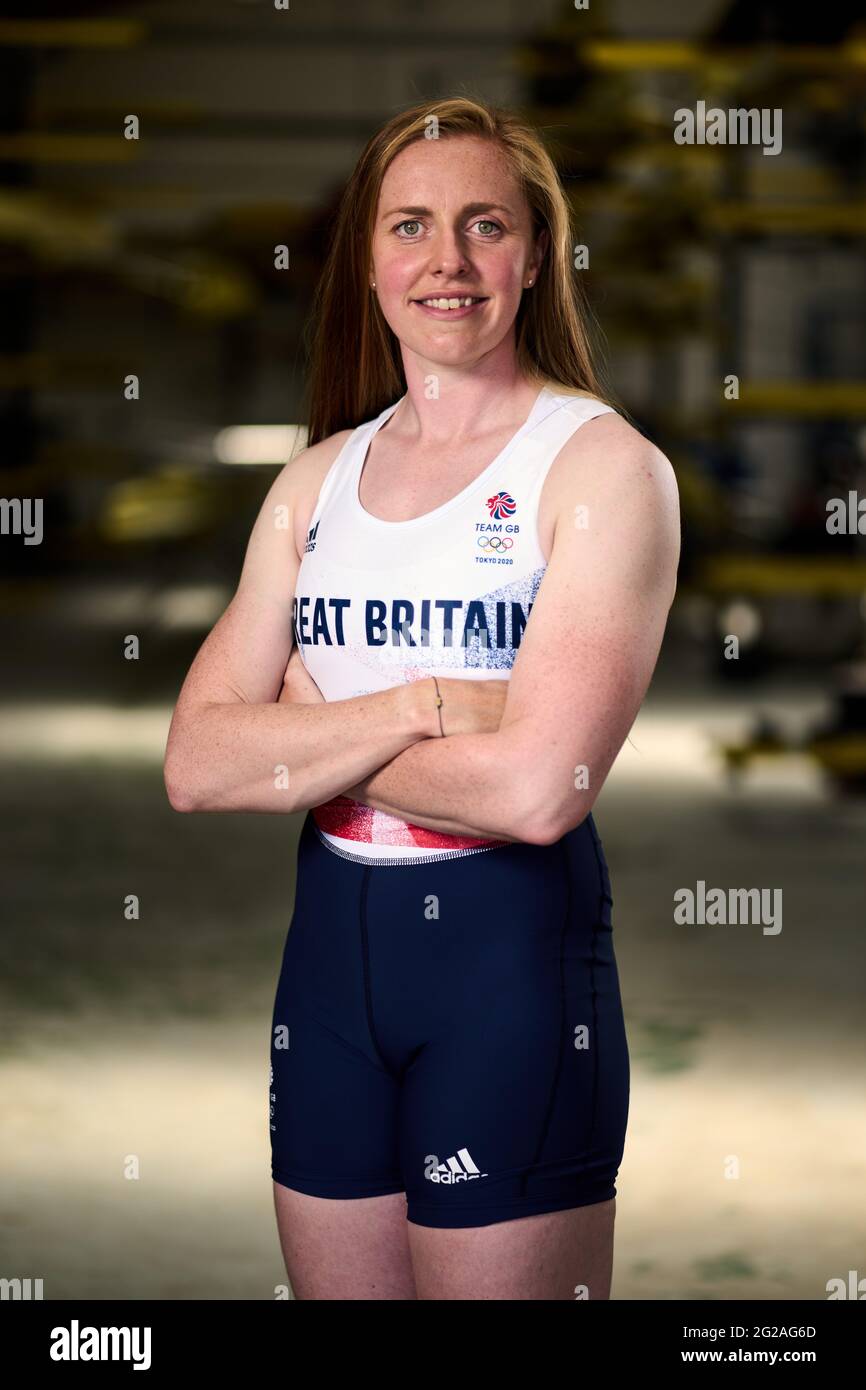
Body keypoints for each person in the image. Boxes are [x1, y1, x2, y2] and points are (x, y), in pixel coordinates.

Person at [164, 96, 680, 1300]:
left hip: (507, 972)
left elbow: (534, 791)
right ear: (371, 257)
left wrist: (305, 729)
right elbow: (195, 765)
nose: (445, 261)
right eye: (410, 226)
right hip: (329, 974)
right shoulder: (313, 483)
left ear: (536, 252)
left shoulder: (601, 470)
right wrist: (426, 702)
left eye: (483, 224)